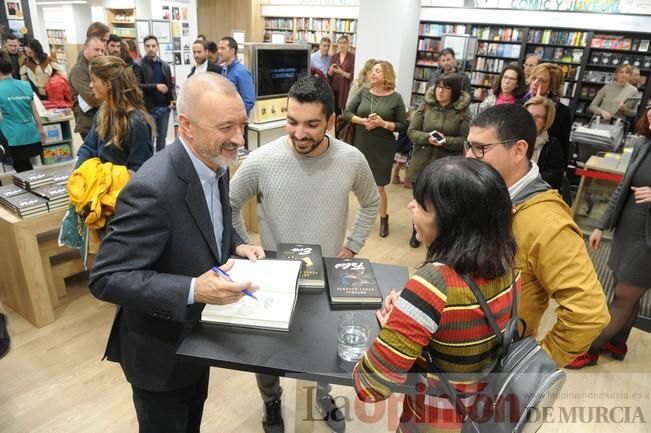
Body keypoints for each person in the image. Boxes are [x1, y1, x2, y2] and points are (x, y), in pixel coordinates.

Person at [88, 73, 265, 433]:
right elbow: (107, 278)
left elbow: (205, 219)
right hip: (160, 355)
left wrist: (234, 243)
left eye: (242, 124)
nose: (238, 138)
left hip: (197, 340)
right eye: (226, 127)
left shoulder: (215, 159)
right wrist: (192, 290)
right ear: (186, 126)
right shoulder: (153, 189)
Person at [230, 75, 379, 433]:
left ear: (331, 120)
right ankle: (271, 400)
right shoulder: (262, 160)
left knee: (321, 343)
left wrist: (352, 245)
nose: (299, 133)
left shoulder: (351, 159)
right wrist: (241, 242)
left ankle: (321, 394)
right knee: (265, 351)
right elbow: (229, 205)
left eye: (311, 124)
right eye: (292, 121)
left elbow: (371, 202)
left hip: (326, 275)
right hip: (273, 277)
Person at [353, 157, 519, 433]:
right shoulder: (507, 266)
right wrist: (410, 318)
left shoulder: (434, 284)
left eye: (420, 204)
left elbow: (371, 387)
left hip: (434, 420)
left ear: (451, 221)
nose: (410, 206)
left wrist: (395, 327)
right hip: (482, 411)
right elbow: (462, 334)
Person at [465, 104, 610, 367]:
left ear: (519, 150)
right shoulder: (487, 191)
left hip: (493, 369)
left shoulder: (548, 223)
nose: (469, 156)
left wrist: (533, 369)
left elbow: (588, 314)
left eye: (480, 148)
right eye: (469, 145)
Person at [567, 109, 651, 368]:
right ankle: (617, 342)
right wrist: (600, 226)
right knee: (623, 292)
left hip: (647, 241)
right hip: (626, 230)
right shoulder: (643, 143)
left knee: (624, 297)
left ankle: (591, 348)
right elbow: (623, 187)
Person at [344, 60, 407, 238]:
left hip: (382, 148)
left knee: (378, 187)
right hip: (361, 144)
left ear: (386, 75)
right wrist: (363, 121)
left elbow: (403, 125)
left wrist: (383, 123)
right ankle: (362, 217)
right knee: (356, 185)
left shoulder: (396, 98)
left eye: (378, 71)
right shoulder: (363, 93)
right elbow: (347, 113)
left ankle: (384, 218)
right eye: (372, 70)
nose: (373, 73)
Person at [406, 73, 471, 247]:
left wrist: (445, 141)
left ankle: (439, 236)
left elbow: (465, 140)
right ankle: (417, 231)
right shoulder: (426, 105)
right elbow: (411, 132)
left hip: (446, 165)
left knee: (440, 203)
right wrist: (428, 138)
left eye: (446, 88)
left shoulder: (462, 111)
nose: (440, 91)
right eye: (438, 86)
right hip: (422, 163)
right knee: (419, 201)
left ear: (455, 91)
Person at [75, 56, 154, 172]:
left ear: (108, 84)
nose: (90, 85)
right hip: (102, 185)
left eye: (94, 80)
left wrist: (110, 179)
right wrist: (77, 174)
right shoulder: (103, 112)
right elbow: (89, 147)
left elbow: (139, 170)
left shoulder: (137, 123)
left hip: (121, 188)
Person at [0, 49, 46, 172]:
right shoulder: (25, 85)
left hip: (12, 137)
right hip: (30, 134)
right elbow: (35, 111)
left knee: (20, 170)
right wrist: (41, 130)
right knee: (27, 167)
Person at [522, 63, 573, 168]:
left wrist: (563, 169)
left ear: (551, 85)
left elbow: (563, 144)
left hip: (545, 165)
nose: (535, 83)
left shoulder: (562, 111)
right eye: (534, 78)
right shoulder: (519, 104)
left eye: (542, 81)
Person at [133, 35, 175, 152]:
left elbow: (170, 85)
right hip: (149, 109)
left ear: (157, 47)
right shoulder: (138, 64)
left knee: (162, 139)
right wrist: (156, 86)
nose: (151, 48)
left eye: (153, 46)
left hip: (164, 109)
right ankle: (150, 165)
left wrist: (173, 100)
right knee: (149, 139)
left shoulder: (165, 65)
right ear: (144, 48)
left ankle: (161, 163)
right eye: (148, 46)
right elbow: (136, 85)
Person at [524, 96, 564, 190]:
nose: (532, 120)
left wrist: (527, 180)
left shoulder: (552, 144)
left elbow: (554, 176)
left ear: (546, 121)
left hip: (536, 192)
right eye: (529, 115)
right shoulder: (511, 138)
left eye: (537, 117)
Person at [69, 37, 105, 141]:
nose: (100, 53)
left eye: (102, 50)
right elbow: (92, 98)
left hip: (100, 120)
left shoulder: (96, 66)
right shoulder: (79, 70)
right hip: (88, 123)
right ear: (86, 48)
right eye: (96, 49)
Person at [218, 36, 255, 116]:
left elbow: (249, 101)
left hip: (237, 121)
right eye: (219, 48)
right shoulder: (223, 69)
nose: (219, 51)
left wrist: (237, 118)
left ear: (232, 51)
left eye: (223, 48)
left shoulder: (241, 71)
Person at [328, 35, 355, 114]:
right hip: (334, 88)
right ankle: (335, 126)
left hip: (346, 88)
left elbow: (352, 76)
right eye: (340, 43)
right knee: (334, 110)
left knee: (345, 110)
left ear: (348, 44)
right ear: (338, 44)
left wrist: (341, 72)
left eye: (344, 43)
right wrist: (331, 70)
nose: (342, 45)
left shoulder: (352, 57)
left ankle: (343, 126)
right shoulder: (334, 56)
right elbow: (329, 75)